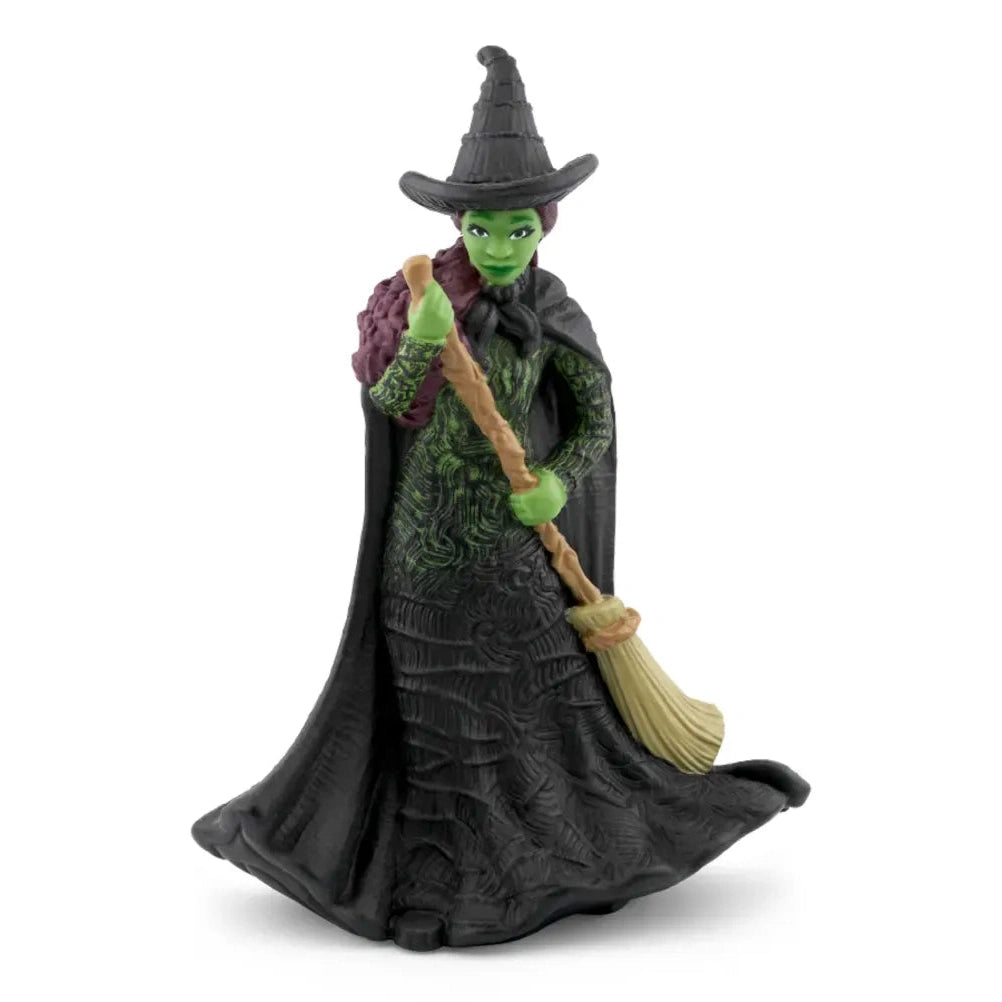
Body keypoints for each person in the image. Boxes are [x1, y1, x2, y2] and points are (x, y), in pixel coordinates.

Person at [192, 45, 809, 952]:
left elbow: (597, 417)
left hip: (515, 558)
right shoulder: (416, 300)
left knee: (528, 710)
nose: (502, 246)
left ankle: (543, 860)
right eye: (485, 229)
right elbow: (389, 403)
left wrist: (559, 477)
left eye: (519, 230)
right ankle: (433, 879)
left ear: (544, 226)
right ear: (460, 224)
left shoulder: (553, 312)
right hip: (421, 556)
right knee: (432, 720)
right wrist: (421, 339)